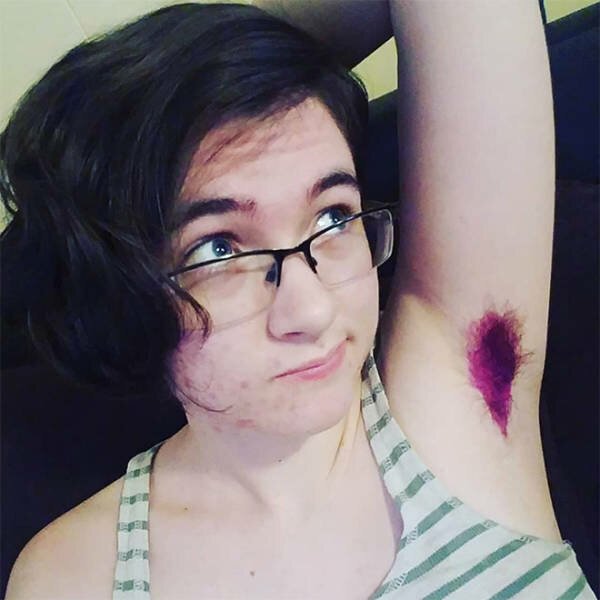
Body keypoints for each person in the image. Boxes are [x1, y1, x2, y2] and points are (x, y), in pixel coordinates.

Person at [2, 1, 595, 598]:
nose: (313, 312)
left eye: (333, 215)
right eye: (218, 249)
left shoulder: (457, 390)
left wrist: (230, 55)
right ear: (116, 293)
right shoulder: (71, 577)